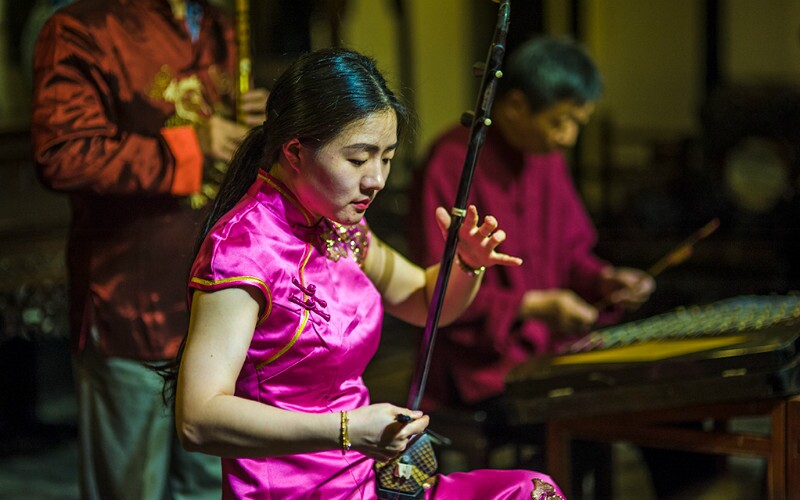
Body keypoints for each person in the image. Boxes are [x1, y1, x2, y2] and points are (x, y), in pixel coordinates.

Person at [167, 47, 565, 499]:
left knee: (532, 490)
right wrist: (345, 430)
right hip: (294, 491)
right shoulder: (243, 251)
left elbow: (422, 299)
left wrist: (466, 264)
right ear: (295, 151)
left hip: (364, 477)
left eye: (387, 158)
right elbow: (197, 420)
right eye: (358, 159)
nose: (376, 179)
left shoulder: (339, 225)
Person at [30, 1, 268, 498]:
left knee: (208, 483)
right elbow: (62, 155)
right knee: (129, 485)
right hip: (130, 300)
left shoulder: (220, 24)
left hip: (215, 302)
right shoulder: (84, 25)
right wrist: (192, 144)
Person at [411, 35, 656, 452]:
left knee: (657, 402)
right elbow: (435, 290)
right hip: (481, 371)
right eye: (561, 121)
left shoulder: (546, 158)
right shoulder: (452, 162)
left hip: (549, 354)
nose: (568, 138)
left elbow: (572, 256)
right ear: (516, 105)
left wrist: (605, 280)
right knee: (592, 422)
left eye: (578, 122)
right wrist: (535, 306)